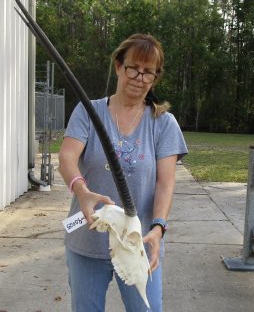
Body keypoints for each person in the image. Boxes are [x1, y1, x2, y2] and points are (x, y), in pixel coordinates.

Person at [58, 33, 188, 312]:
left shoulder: (163, 123)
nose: (139, 77)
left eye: (148, 72)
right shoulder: (88, 112)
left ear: (155, 77)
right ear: (118, 66)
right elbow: (67, 159)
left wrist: (158, 228)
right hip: (87, 242)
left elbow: (165, 183)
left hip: (138, 243)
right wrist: (81, 190)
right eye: (133, 68)